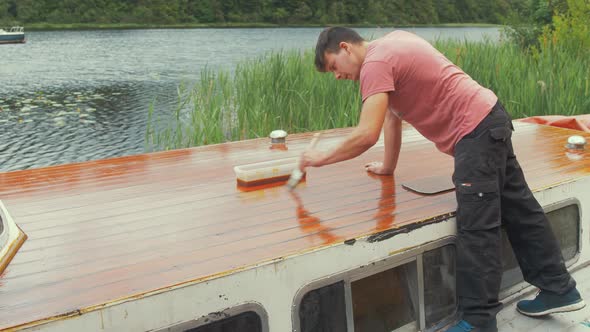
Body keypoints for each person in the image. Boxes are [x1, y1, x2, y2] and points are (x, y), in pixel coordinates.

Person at [299, 27, 585, 332]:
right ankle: (559, 289)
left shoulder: (375, 64)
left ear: (345, 48)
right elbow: (391, 120)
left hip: (474, 133)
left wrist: (319, 158)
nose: (337, 76)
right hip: (490, 118)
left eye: (333, 67)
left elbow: (366, 134)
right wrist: (387, 166)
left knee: (477, 225)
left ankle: (478, 321)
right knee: (519, 208)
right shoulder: (391, 45)